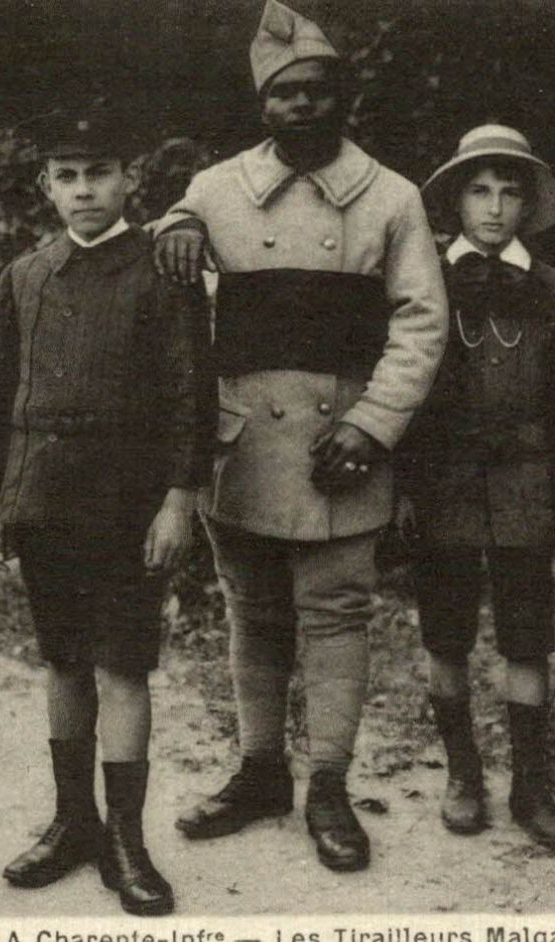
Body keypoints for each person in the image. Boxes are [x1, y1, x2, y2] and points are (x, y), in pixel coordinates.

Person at [151, 0, 447, 873]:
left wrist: (372, 424)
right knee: (251, 610)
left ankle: (328, 784)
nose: (302, 105)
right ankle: (258, 771)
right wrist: (177, 225)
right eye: (285, 93)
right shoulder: (216, 189)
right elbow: (170, 236)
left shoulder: (391, 196)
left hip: (339, 447)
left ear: (343, 98)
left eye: (318, 90)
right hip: (243, 443)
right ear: (263, 105)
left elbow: (421, 322)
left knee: (335, 612)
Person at [0, 106, 212, 916]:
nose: (83, 190)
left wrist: (179, 498)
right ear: (46, 185)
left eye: (98, 173)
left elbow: (190, 393)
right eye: (67, 176)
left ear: (128, 179)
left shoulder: (162, 272)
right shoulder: (25, 275)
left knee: (123, 665)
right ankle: (74, 822)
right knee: (64, 660)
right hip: (43, 498)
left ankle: (126, 841)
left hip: (128, 506)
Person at [398, 125, 555, 849]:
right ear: (455, 200)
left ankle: (531, 786)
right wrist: (404, 487)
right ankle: (463, 774)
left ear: (528, 204)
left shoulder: (554, 291)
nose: (495, 206)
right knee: (445, 635)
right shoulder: (422, 279)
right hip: (442, 481)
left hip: (527, 485)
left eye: (510, 192)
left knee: (526, 639)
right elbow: (400, 385)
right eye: (479, 190)